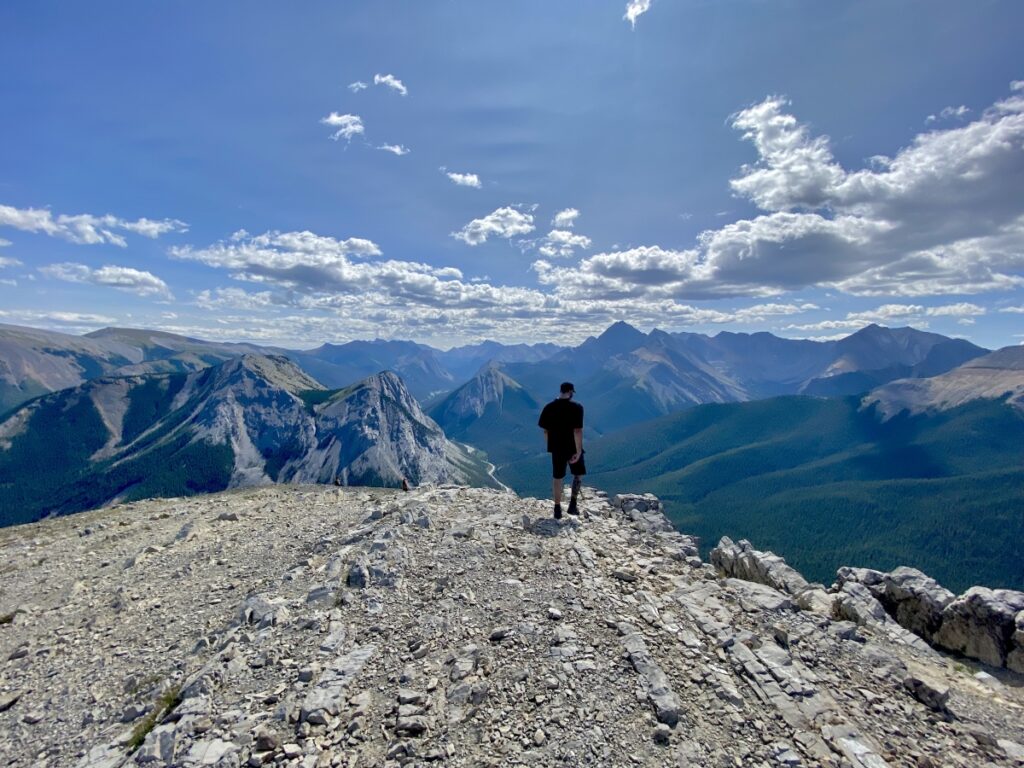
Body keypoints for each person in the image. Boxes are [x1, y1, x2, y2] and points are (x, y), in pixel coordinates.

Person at [537, 382, 585, 519]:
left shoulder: (549, 408)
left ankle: (557, 509)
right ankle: (573, 505)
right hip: (572, 447)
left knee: (557, 478)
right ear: (570, 392)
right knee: (578, 474)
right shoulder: (577, 407)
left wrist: (550, 446)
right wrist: (579, 451)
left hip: (557, 448)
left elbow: (545, 431)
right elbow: (577, 431)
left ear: (561, 391)